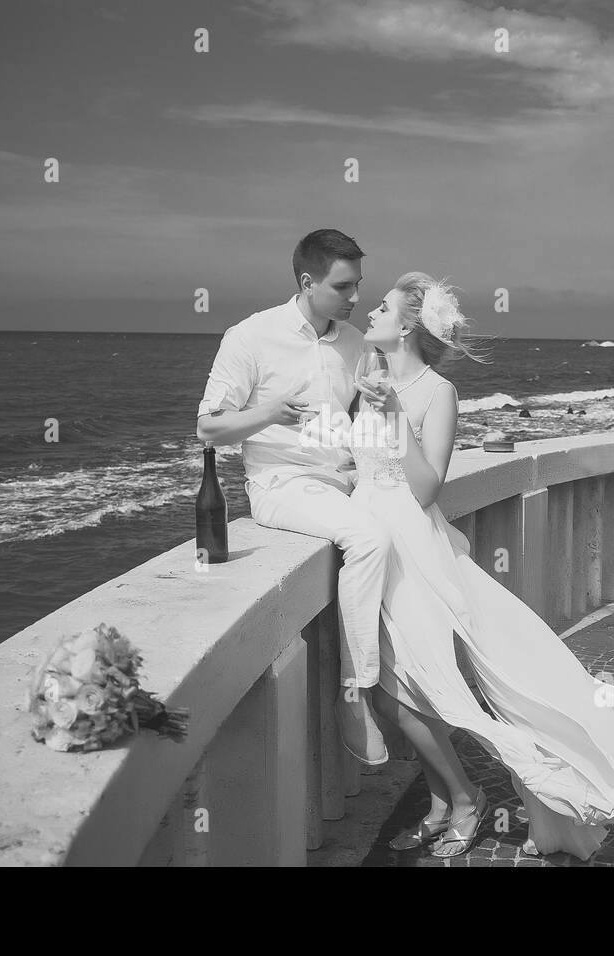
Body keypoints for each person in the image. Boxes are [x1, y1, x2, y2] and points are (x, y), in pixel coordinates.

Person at [341, 272, 614, 859]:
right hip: (370, 542)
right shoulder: (366, 380)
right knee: (397, 693)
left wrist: (396, 415)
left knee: (411, 693)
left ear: (407, 328)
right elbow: (355, 464)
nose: (369, 312)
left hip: (415, 552)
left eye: (382, 307)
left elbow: (425, 489)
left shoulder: (435, 392)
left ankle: (466, 800)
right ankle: (446, 802)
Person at [196, 228, 392, 764]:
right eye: (343, 286)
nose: (355, 298)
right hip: (281, 484)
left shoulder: (354, 343)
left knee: (415, 527)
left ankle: (413, 685)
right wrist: (269, 414)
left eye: (358, 285)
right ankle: (356, 693)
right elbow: (208, 429)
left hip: (345, 478)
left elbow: (358, 421)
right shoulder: (250, 337)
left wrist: (377, 402)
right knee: (369, 539)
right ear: (307, 282)